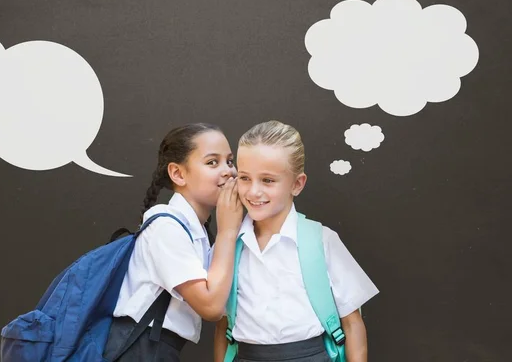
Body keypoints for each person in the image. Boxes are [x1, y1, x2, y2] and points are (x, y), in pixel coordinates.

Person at [214, 120, 379, 362]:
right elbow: (222, 326)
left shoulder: (321, 240)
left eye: (268, 180)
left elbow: (352, 324)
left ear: (297, 184)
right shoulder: (230, 243)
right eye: (245, 178)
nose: (253, 192)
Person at [103, 123, 243, 361]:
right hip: (139, 351)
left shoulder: (195, 230)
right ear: (178, 173)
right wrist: (228, 230)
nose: (228, 171)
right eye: (212, 162)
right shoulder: (166, 227)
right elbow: (211, 307)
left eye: (230, 161)